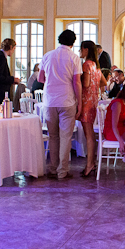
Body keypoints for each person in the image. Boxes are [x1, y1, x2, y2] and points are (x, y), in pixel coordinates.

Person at [38, 29, 82, 179]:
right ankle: (62, 171)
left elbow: (40, 78)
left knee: (53, 136)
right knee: (65, 136)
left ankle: (52, 167)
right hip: (67, 100)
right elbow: (76, 82)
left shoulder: (47, 55)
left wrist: (52, 81)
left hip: (49, 101)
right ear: (73, 42)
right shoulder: (74, 58)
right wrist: (80, 102)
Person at [78, 40, 107, 177]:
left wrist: (78, 78)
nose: (80, 52)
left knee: (88, 135)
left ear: (86, 50)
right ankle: (92, 162)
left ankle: (90, 164)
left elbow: (86, 83)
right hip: (94, 101)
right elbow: (104, 82)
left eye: (81, 49)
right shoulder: (96, 65)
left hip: (86, 102)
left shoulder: (86, 65)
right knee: (90, 135)